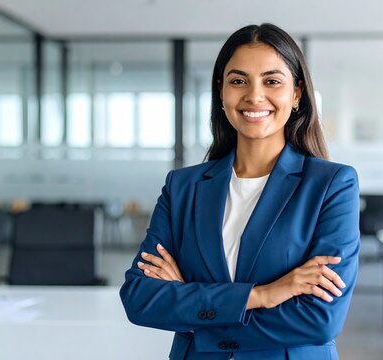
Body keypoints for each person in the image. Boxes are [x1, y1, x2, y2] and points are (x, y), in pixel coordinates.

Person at [120, 23, 360, 360]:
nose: (254, 96)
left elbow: (320, 319)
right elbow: (140, 298)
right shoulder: (183, 187)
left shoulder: (331, 185)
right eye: (238, 81)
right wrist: (262, 295)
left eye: (272, 81)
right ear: (221, 92)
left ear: (296, 94)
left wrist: (193, 308)